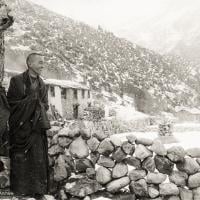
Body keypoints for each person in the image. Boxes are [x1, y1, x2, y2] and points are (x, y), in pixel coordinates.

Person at [7, 53, 51, 200]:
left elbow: (45, 105)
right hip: (21, 129)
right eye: (40, 62)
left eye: (43, 63)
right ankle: (20, 191)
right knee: (21, 160)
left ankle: (38, 191)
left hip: (36, 129)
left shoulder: (42, 84)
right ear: (30, 64)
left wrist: (38, 106)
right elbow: (11, 104)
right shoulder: (17, 81)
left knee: (38, 159)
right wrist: (31, 102)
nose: (42, 65)